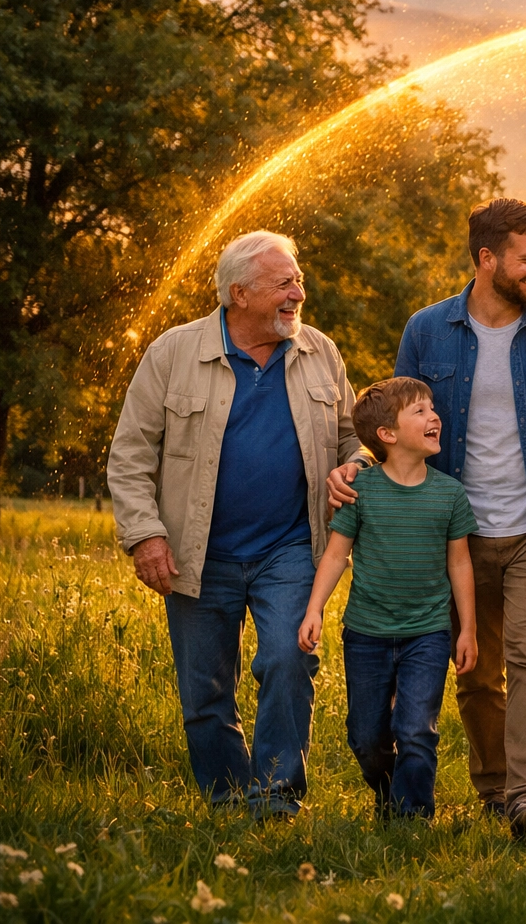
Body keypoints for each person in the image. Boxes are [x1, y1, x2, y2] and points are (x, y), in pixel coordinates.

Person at [327, 197, 526, 840]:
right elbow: (395, 422)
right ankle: (496, 787)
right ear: (486, 259)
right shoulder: (427, 331)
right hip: (455, 530)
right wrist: (360, 463)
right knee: (476, 670)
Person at [107, 231, 364, 818]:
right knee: (205, 692)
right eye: (286, 283)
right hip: (198, 553)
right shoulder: (173, 353)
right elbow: (130, 455)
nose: (300, 292)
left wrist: (355, 460)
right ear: (238, 294)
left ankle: (275, 797)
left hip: (292, 547)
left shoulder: (319, 351)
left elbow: (354, 432)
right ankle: (225, 800)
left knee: (288, 658)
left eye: (298, 279)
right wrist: (145, 535)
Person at [298, 377, 479, 819]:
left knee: (416, 729)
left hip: (428, 634)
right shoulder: (361, 491)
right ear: (387, 434)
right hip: (367, 634)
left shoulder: (449, 494)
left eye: (432, 408)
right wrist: (314, 610)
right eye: (419, 411)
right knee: (365, 736)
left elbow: (459, 564)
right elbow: (337, 554)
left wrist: (468, 629)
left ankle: (413, 817)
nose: (434, 415)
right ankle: (389, 791)